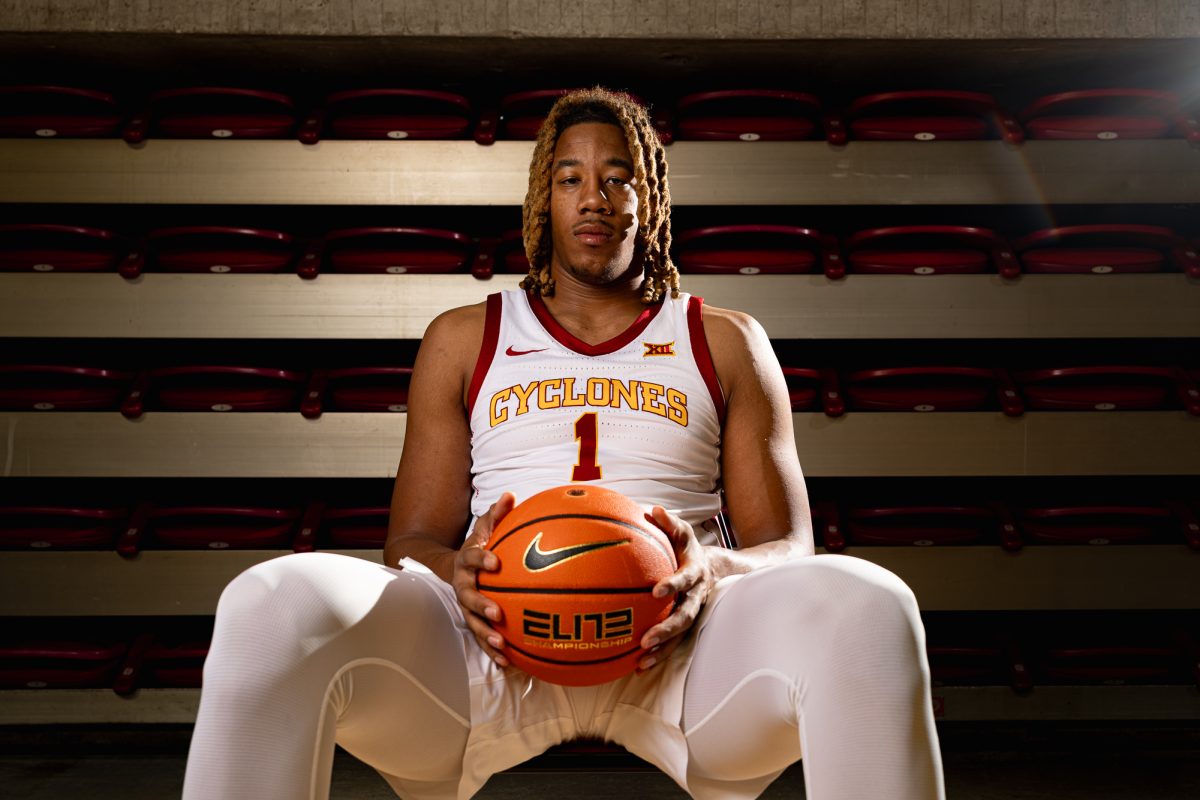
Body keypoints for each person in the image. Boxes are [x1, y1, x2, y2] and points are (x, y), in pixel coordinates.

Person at [182, 87, 945, 800]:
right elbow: (412, 541)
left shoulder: (724, 338)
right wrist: (462, 572)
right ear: (543, 199)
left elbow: (789, 543)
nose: (595, 198)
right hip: (491, 645)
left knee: (874, 608)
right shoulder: (464, 337)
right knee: (266, 603)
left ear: (649, 199)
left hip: (682, 647)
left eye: (619, 178)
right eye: (572, 177)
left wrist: (713, 566)